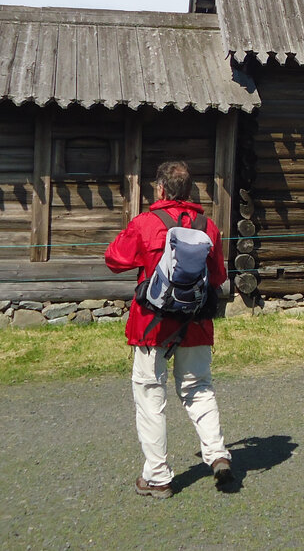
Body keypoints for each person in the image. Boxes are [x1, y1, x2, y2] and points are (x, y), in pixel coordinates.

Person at [105, 160, 233, 498]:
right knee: (199, 388)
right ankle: (217, 453)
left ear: (161, 189)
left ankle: (158, 477)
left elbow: (114, 259)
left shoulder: (146, 223)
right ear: (190, 190)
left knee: (151, 396)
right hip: (195, 323)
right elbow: (218, 277)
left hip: (152, 326)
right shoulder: (209, 227)